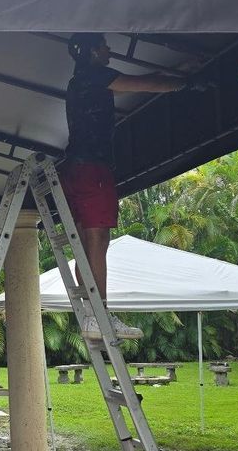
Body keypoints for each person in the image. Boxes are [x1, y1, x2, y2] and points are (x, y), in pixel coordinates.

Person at [62, 33, 208, 340]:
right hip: (93, 167)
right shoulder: (94, 75)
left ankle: (92, 315)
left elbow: (145, 78)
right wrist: (185, 83)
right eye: (103, 44)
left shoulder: (79, 81)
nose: (109, 49)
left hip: (76, 167)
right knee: (97, 238)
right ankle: (99, 315)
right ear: (91, 50)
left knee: (86, 240)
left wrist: (181, 69)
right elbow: (144, 83)